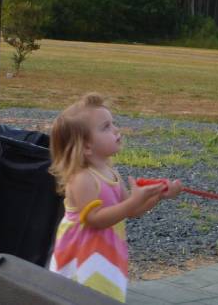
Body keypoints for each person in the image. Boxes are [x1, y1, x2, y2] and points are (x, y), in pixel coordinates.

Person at [48, 93, 182, 302]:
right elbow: (94, 219)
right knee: (80, 297)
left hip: (106, 253)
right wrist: (133, 202)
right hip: (82, 256)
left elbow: (132, 210)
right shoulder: (82, 178)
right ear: (86, 146)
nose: (116, 130)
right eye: (105, 127)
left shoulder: (111, 173)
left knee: (104, 294)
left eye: (113, 123)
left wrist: (158, 195)